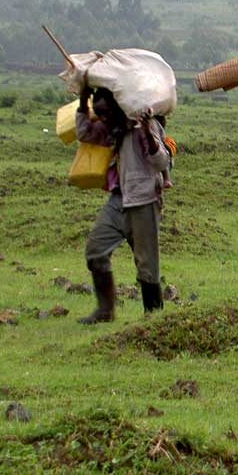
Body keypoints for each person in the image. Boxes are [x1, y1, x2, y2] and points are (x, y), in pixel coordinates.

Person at [76, 86, 173, 323]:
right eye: (100, 113)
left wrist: (149, 133)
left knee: (147, 265)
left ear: (118, 108)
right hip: (119, 199)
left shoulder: (145, 127)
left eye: (106, 112)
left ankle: (154, 319)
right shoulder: (115, 128)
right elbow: (85, 133)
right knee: (96, 250)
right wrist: (82, 102)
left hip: (145, 200)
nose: (104, 117)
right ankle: (105, 311)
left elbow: (161, 161)